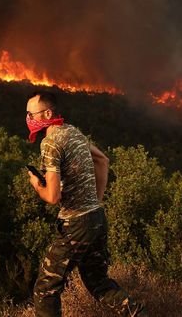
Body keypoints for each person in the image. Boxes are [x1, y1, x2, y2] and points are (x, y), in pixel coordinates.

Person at [25, 91, 147, 317]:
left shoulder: (50, 142)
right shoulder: (73, 132)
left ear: (48, 113)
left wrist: (36, 184)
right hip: (96, 218)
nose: (29, 119)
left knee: (45, 290)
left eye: (32, 114)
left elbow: (52, 197)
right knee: (99, 284)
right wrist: (95, 200)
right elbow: (102, 160)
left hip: (76, 224)